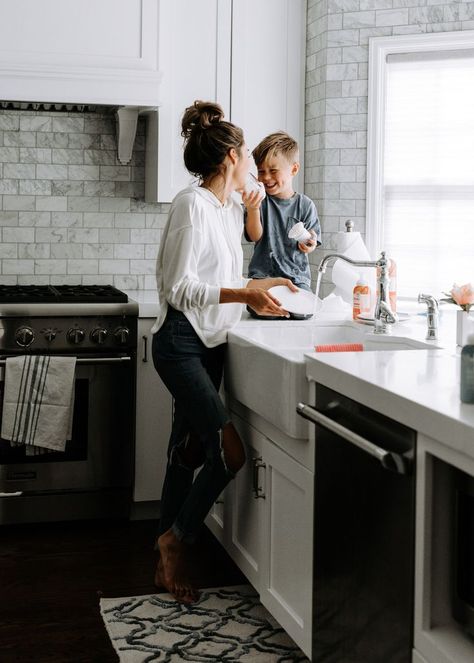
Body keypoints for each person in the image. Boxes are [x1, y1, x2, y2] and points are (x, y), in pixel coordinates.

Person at [151, 100, 297, 604]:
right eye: (248, 159)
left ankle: (164, 545)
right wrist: (246, 294)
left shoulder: (227, 208)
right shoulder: (191, 205)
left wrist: (260, 283)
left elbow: (222, 279)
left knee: (187, 450)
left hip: (209, 342)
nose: (256, 170)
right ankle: (177, 541)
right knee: (228, 453)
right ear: (231, 157)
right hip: (180, 343)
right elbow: (179, 287)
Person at [245, 131, 321, 292]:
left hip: (296, 278)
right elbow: (254, 236)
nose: (265, 177)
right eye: (261, 171)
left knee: (302, 314)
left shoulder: (305, 205)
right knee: (264, 313)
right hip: (263, 277)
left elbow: (312, 239)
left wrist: (309, 244)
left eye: (273, 171)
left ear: (294, 169)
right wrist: (253, 209)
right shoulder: (259, 201)